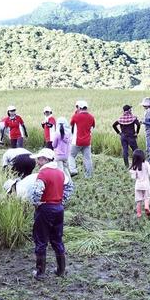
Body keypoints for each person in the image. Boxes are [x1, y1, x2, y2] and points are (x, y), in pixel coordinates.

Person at [30, 148, 75, 280]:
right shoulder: (60, 173)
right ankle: (61, 270)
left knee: (41, 240)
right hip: (59, 209)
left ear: (45, 159)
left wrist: (36, 203)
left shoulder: (43, 174)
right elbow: (70, 187)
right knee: (57, 239)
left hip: (45, 208)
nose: (37, 162)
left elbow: (38, 191)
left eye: (39, 159)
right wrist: (62, 200)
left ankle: (40, 272)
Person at [69, 100, 96, 177]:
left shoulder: (76, 116)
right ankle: (89, 175)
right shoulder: (91, 117)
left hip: (77, 141)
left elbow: (71, 125)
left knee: (71, 155)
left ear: (79, 108)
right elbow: (92, 127)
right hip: (87, 142)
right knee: (87, 159)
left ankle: (73, 170)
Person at [129, 149, 150, 218]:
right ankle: (146, 207)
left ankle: (139, 213)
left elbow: (133, 177)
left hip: (138, 185)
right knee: (147, 197)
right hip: (146, 185)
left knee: (138, 200)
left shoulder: (134, 166)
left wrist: (133, 172)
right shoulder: (146, 163)